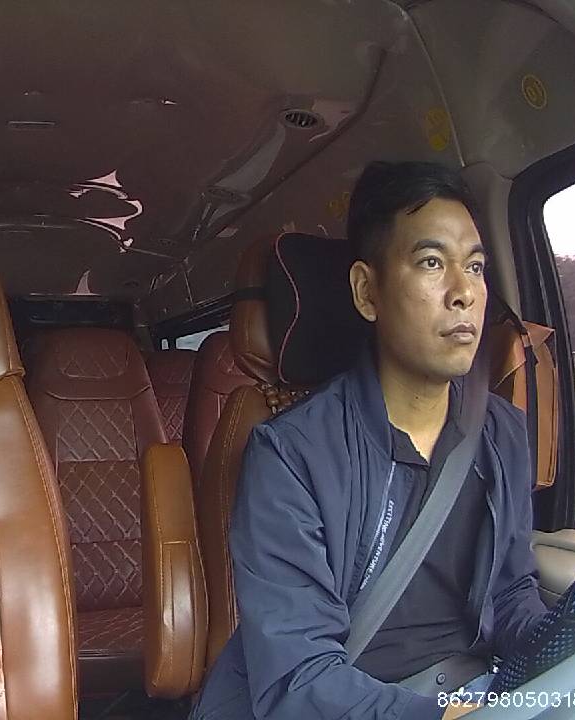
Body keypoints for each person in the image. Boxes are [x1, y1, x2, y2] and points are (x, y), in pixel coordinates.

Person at [189, 161, 549, 720]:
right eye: (432, 262)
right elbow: (299, 679)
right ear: (366, 291)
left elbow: (510, 594)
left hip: (472, 691)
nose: (464, 293)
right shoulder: (290, 456)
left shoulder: (502, 432)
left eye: (475, 267)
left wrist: (573, 635)